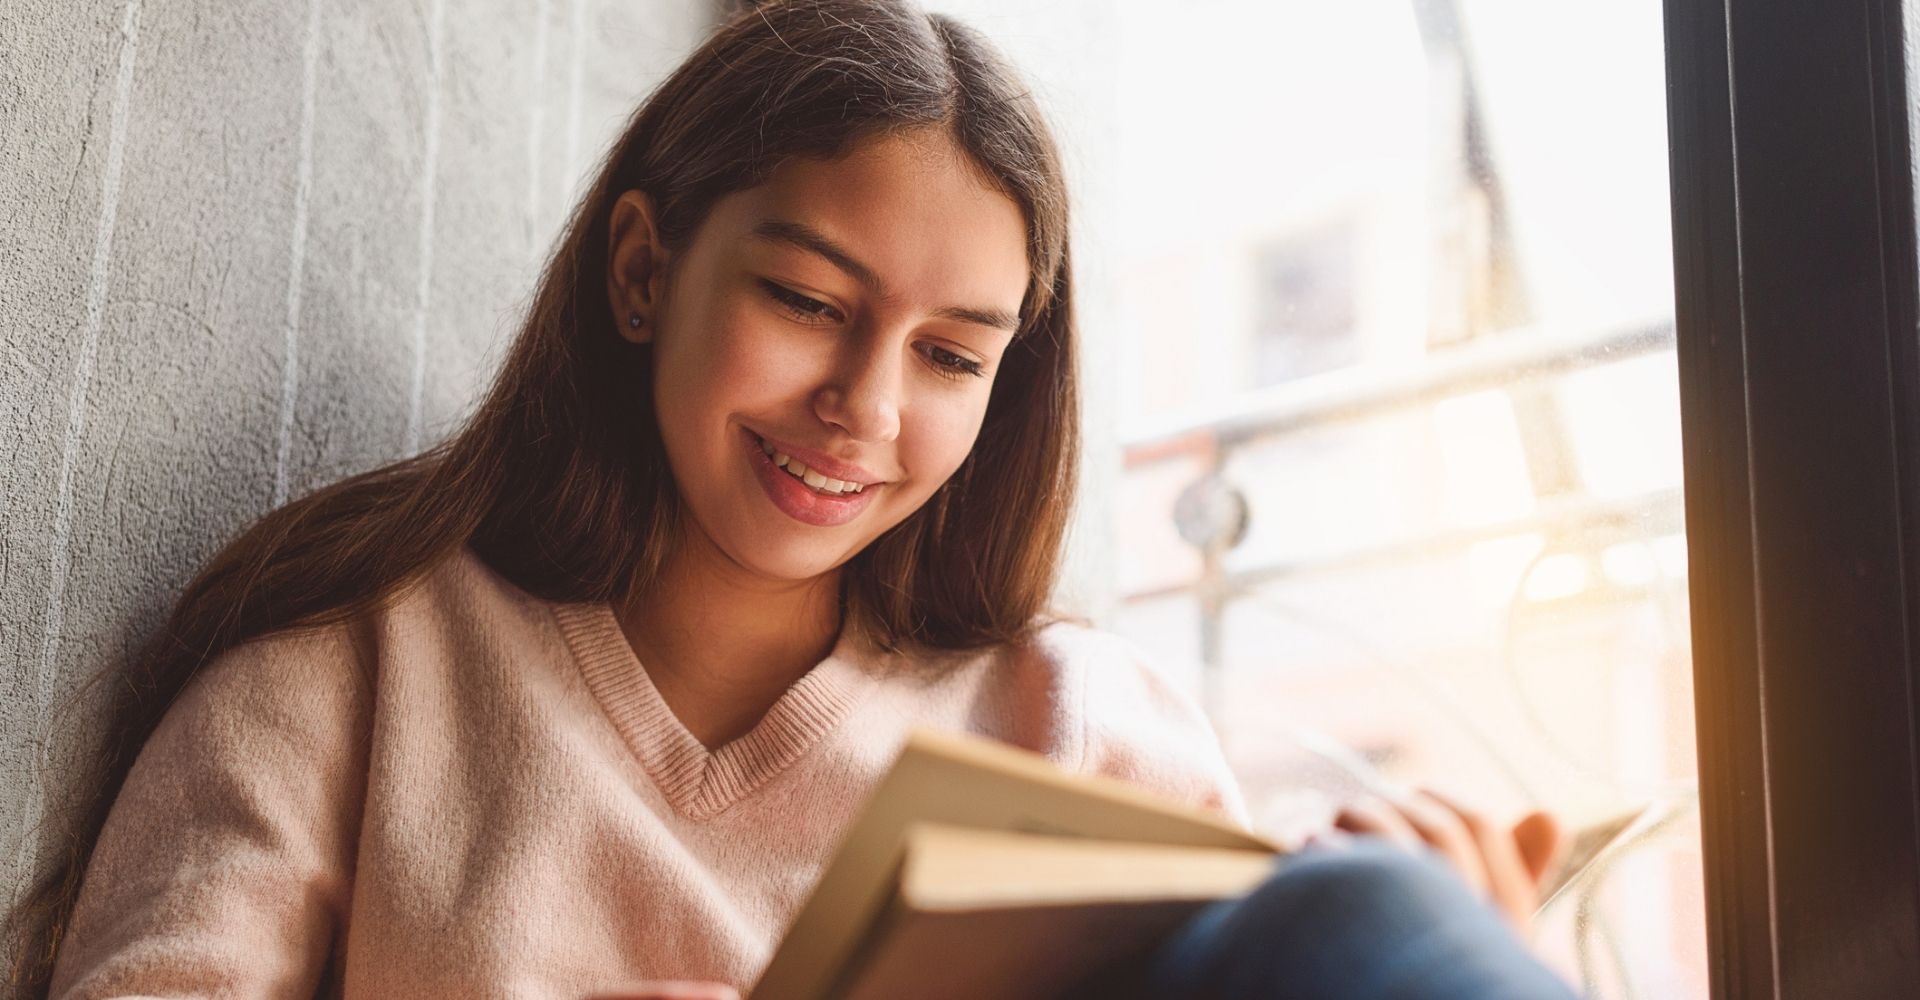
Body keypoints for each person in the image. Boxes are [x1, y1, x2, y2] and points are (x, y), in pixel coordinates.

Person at [8, 1, 1575, 997]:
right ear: (643, 269)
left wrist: (1470, 930)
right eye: (810, 302)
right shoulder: (347, 679)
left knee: (1364, 909)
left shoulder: (1069, 717)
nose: (866, 408)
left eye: (954, 356)